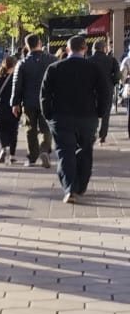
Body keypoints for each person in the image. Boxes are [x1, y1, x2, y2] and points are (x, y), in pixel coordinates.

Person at [40, 35, 112, 204]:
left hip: (62, 117)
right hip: (87, 117)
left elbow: (44, 94)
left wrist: (48, 114)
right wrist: (100, 112)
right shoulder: (94, 69)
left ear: (67, 49)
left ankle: (69, 188)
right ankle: (80, 186)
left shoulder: (55, 68)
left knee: (65, 152)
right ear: (85, 49)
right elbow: (105, 93)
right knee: (85, 151)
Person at [11, 33, 56, 169]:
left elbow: (17, 84)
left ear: (27, 46)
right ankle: (44, 150)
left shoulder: (22, 63)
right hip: (47, 100)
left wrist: (15, 103)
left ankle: (32, 158)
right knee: (46, 127)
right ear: (40, 44)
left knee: (30, 129)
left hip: (28, 101)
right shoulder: (52, 60)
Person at [89, 38, 121, 144]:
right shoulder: (111, 60)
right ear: (104, 48)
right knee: (106, 114)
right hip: (107, 89)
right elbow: (117, 75)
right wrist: (113, 82)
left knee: (92, 112)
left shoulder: (88, 60)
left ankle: (92, 132)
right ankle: (103, 135)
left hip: (92, 90)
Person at [0, 55, 20, 164]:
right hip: (14, 108)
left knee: (2, 130)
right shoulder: (17, 79)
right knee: (13, 131)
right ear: (15, 65)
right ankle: (12, 155)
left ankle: (3, 149)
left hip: (1, 108)